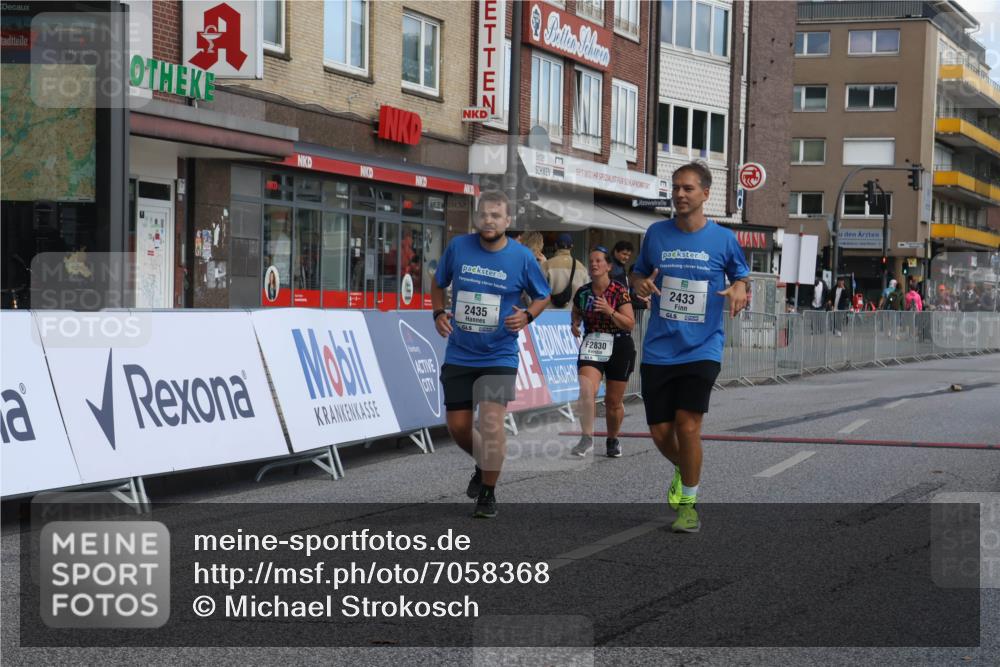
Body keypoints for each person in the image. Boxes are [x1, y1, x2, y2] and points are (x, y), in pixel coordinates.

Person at [631, 162, 750, 533]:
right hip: (659, 347)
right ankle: (686, 471)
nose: (679, 194)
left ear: (705, 194)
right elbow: (638, 272)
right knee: (660, 432)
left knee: (688, 425)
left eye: (688, 189)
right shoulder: (655, 234)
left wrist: (740, 290)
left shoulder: (723, 239)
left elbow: (742, 276)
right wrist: (639, 284)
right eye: (676, 187)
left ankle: (689, 504)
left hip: (703, 347)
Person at [431, 191, 551, 519]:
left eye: (496, 216)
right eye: (484, 214)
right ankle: (484, 463)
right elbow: (438, 282)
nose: (489, 220)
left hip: (500, 353)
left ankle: (488, 492)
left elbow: (542, 295)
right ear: (476, 217)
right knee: (457, 426)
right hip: (460, 352)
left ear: (508, 221)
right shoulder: (458, 248)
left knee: (491, 420)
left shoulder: (522, 257)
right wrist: (438, 311)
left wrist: (527, 316)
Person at [570, 246, 636, 459]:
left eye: (599, 261)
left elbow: (629, 324)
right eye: (591, 261)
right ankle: (586, 438)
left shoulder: (619, 291)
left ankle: (612, 439)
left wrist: (610, 311)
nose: (594, 264)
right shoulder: (583, 292)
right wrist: (575, 323)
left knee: (612, 402)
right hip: (593, 343)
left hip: (619, 344)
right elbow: (576, 310)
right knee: (586, 390)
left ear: (608, 266)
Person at [545, 233, 588, 310]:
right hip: (573, 314)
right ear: (571, 247)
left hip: (548, 315)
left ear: (555, 246)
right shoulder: (582, 268)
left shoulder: (547, 265)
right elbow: (586, 294)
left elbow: (537, 291)